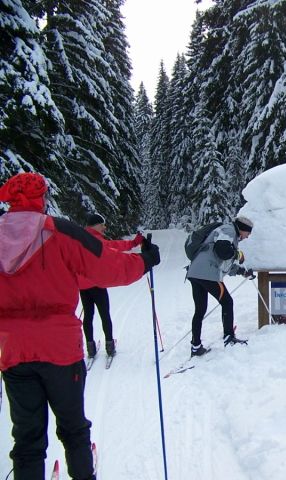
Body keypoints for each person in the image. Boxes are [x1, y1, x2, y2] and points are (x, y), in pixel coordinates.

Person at [0, 172, 160, 480]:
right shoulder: (60, 231)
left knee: (27, 437)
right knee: (73, 427)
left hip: (13, 351)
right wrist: (145, 261)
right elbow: (106, 265)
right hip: (60, 350)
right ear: (42, 198)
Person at [186, 216, 254, 355]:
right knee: (227, 302)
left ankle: (196, 346)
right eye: (248, 233)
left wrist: (242, 271)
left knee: (200, 310)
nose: (248, 236)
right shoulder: (229, 231)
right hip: (208, 274)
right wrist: (238, 254)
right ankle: (229, 338)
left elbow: (223, 262)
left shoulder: (228, 233)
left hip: (195, 273)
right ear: (242, 229)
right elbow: (223, 251)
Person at [79, 213, 144, 358]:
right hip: (97, 284)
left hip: (83, 286)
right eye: (102, 225)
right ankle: (109, 346)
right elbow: (115, 246)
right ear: (95, 225)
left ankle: (90, 347)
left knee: (88, 315)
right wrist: (133, 243)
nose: (104, 227)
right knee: (104, 314)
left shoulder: (81, 239)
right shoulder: (96, 241)